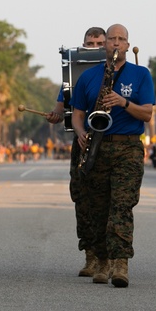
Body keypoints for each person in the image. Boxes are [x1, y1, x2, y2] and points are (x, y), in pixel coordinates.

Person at [71, 24, 155, 288]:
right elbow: (77, 114)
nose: (116, 43)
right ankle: (102, 261)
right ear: (105, 44)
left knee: (121, 205)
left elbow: (148, 114)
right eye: (112, 39)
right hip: (97, 145)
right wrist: (80, 132)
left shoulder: (141, 75)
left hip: (128, 147)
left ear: (128, 46)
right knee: (97, 208)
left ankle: (121, 264)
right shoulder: (88, 76)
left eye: (122, 39)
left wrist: (123, 103)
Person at [44, 26, 106, 277]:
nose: (94, 49)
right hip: (82, 142)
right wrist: (55, 115)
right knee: (83, 200)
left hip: (111, 141)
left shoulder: (122, 72)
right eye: (89, 44)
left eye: (99, 44)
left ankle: (109, 257)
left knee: (109, 201)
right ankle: (90, 256)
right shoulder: (73, 75)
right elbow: (61, 109)